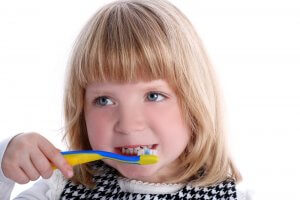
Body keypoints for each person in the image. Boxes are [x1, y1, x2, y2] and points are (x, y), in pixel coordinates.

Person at [0, 0, 251, 199]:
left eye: (153, 96)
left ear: (196, 104)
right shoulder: (57, 191)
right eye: (104, 100)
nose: (128, 125)